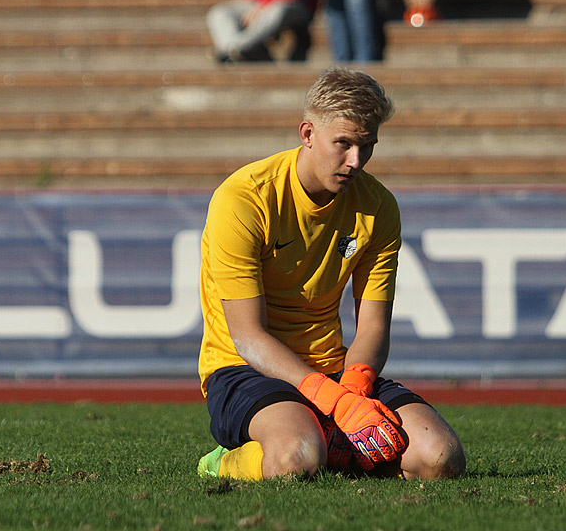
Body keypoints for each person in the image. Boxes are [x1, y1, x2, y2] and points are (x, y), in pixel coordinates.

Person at [197, 66, 466, 481]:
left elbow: (373, 328)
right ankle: (221, 463)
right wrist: (334, 402)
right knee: (297, 461)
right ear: (307, 134)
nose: (355, 161)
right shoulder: (243, 198)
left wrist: (354, 389)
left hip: (335, 373)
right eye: (343, 143)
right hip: (245, 369)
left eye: (367, 146)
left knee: (440, 459)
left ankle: (332, 444)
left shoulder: (378, 207)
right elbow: (248, 336)